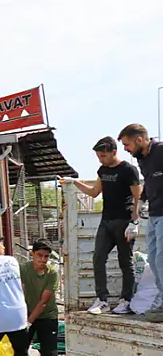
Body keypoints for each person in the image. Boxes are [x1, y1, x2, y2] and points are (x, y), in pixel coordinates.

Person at [61, 136, 141, 314]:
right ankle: (102, 300)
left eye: (103, 156)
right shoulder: (102, 170)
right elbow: (94, 192)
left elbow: (138, 197)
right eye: (98, 156)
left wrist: (135, 222)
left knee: (125, 262)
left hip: (124, 221)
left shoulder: (129, 170)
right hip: (106, 221)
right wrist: (74, 181)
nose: (101, 159)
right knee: (98, 258)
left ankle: (126, 300)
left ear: (114, 152)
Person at [119, 123, 163, 316]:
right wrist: (142, 201)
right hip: (153, 214)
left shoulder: (161, 151)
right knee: (153, 260)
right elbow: (149, 182)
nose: (126, 150)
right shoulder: (143, 159)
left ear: (139, 140)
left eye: (127, 145)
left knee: (162, 259)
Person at [21, 239, 59, 356]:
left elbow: (44, 302)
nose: (43, 260)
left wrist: (29, 322)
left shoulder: (52, 273)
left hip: (47, 316)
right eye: (39, 255)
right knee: (20, 355)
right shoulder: (24, 269)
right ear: (32, 254)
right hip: (26, 314)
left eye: (46, 256)